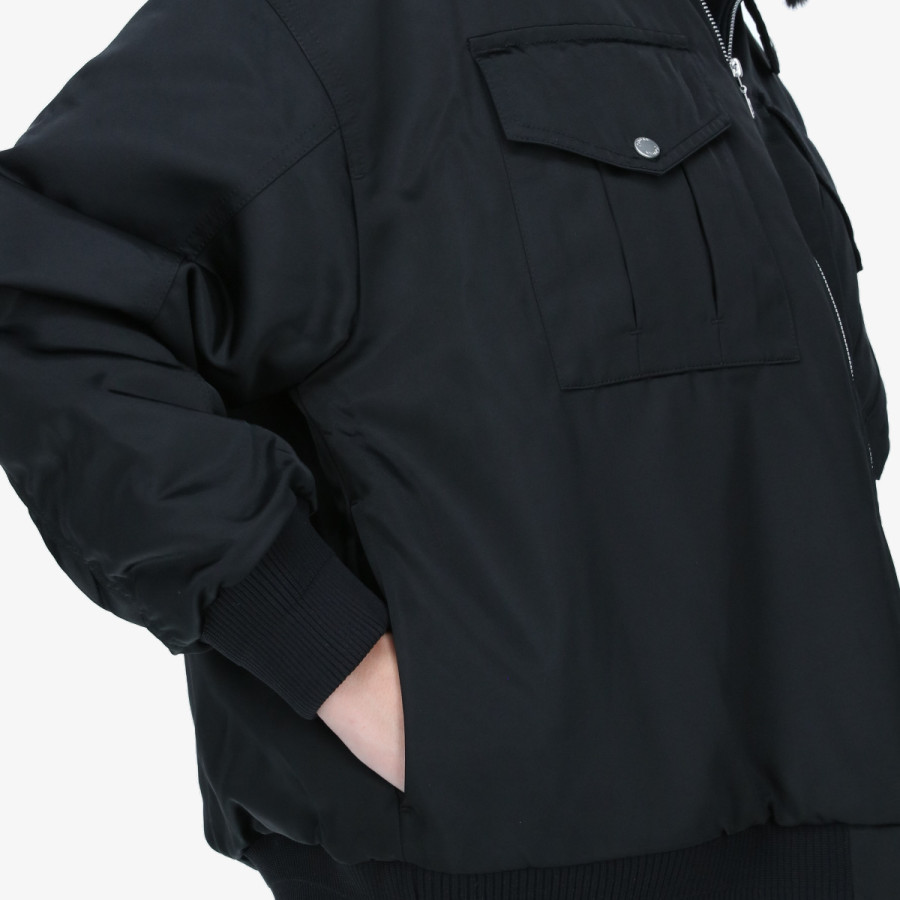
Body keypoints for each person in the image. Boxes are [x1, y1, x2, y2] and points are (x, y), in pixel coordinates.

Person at [2, 0, 900, 897]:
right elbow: (41, 285)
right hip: (518, 856)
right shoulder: (337, 23)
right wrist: (318, 641)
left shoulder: (716, 34)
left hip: (820, 835)